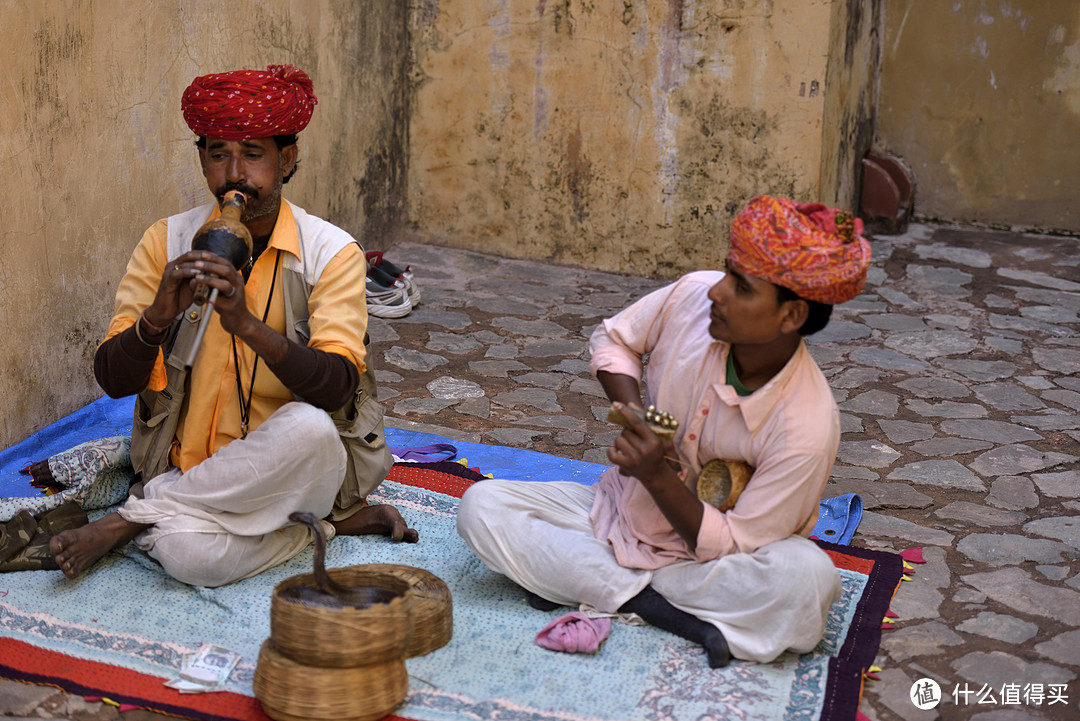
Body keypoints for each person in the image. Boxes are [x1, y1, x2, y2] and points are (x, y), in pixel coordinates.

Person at [457, 196, 871, 666]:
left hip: (707, 564)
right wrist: (633, 413)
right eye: (726, 273)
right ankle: (663, 612)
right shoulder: (693, 296)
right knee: (482, 508)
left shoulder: (807, 426)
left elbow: (732, 544)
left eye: (741, 287)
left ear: (791, 315)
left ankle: (589, 584)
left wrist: (656, 475)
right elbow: (615, 340)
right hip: (615, 515)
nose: (718, 292)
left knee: (807, 582)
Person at [50, 65, 417, 587]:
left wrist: (247, 324)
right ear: (202, 160)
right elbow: (113, 379)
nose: (234, 174)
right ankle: (322, 530)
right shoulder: (167, 241)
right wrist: (157, 318)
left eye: (253, 154)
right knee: (186, 559)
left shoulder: (330, 253)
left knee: (311, 429)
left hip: (294, 468)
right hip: (190, 475)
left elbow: (338, 386)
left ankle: (124, 523)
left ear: (286, 159)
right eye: (218, 154)